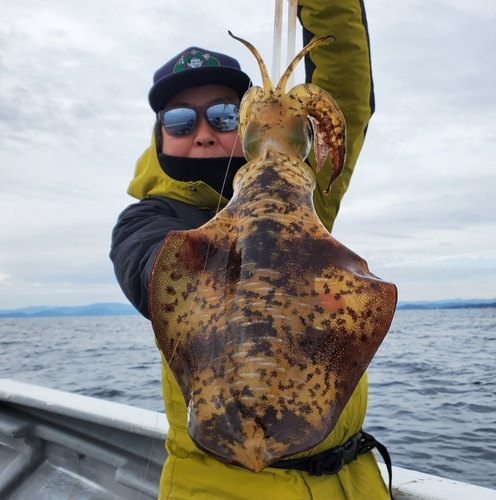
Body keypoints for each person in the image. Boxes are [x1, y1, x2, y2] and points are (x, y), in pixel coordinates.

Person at [111, 1, 390, 498]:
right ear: (158, 138)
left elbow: (344, 90)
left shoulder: (304, 196)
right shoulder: (152, 218)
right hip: (218, 484)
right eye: (178, 121)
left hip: (353, 482)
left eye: (222, 116)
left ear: (248, 125)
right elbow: (149, 269)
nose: (201, 134)